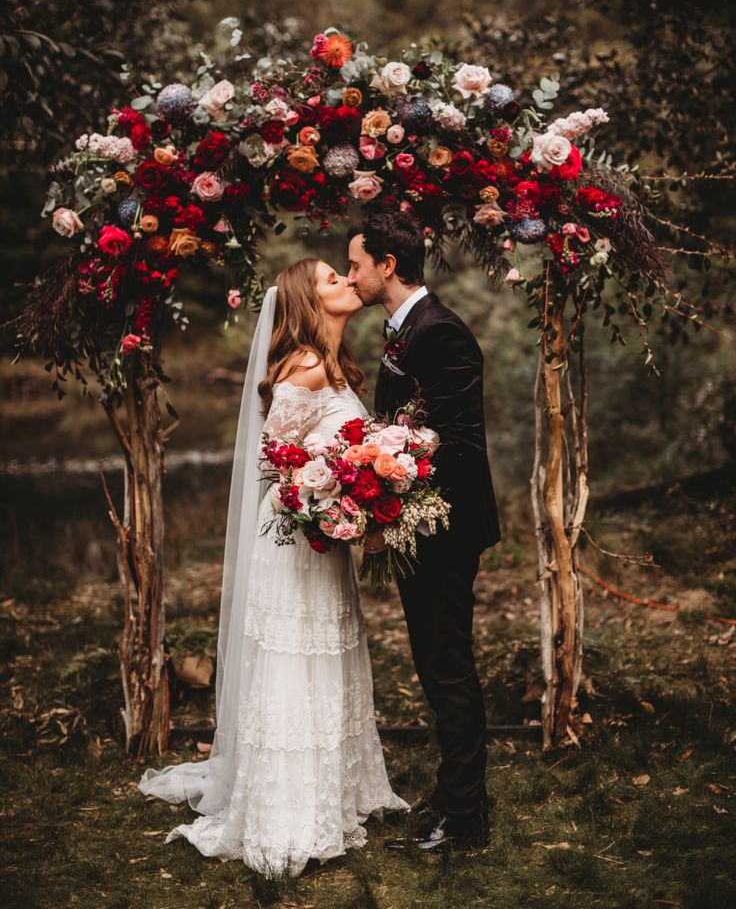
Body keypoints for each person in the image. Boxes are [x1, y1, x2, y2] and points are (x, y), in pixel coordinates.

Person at [137, 259, 408, 876]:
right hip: (294, 539)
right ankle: (286, 811)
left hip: (323, 537)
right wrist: (325, 497)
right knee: (295, 659)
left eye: (345, 273)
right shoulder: (306, 369)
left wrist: (356, 498)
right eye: (331, 279)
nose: (346, 281)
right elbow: (275, 464)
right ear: (310, 303)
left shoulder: (335, 365)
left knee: (326, 655)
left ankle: (332, 793)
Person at [347, 212, 502, 853]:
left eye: (356, 262)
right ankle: (454, 799)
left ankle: (465, 820)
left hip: (445, 529)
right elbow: (410, 418)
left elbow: (461, 442)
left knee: (447, 667)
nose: (351, 274)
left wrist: (394, 472)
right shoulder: (404, 330)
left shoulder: (442, 333)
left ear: (387, 263)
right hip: (420, 525)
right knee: (435, 665)